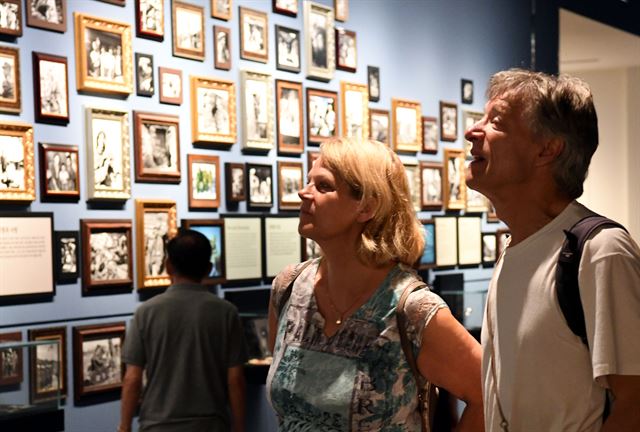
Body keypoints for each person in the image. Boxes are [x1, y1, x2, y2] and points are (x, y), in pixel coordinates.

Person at [464, 68, 640, 431]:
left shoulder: (599, 251)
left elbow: (636, 403)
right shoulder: (515, 250)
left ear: (548, 149)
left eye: (495, 122)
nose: (472, 131)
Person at [266, 138, 483, 430]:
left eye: (323, 186)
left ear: (367, 206)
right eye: (308, 182)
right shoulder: (289, 287)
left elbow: (486, 393)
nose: (304, 193)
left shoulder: (411, 307)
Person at [119, 229, 247, 432]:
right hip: (210, 425)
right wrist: (239, 427)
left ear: (168, 266)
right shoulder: (226, 313)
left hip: (157, 425)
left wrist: (124, 426)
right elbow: (235, 379)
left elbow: (132, 378)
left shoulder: (146, 312)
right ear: (208, 268)